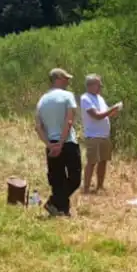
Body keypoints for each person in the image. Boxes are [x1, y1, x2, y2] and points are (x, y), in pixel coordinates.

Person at [35, 67, 81, 217]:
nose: (68, 81)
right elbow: (69, 121)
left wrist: (49, 144)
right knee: (74, 179)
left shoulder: (42, 100)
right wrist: (61, 143)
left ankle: (61, 210)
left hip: (51, 143)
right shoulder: (68, 96)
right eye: (66, 78)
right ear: (58, 79)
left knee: (57, 180)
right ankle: (54, 203)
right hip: (67, 141)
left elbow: (38, 127)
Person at [80, 73, 122, 193]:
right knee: (92, 162)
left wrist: (115, 111)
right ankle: (86, 188)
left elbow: (106, 113)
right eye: (99, 85)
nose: (101, 87)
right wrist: (112, 108)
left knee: (103, 161)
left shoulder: (100, 98)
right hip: (93, 136)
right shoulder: (85, 98)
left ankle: (100, 186)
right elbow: (97, 116)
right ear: (91, 85)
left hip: (104, 136)